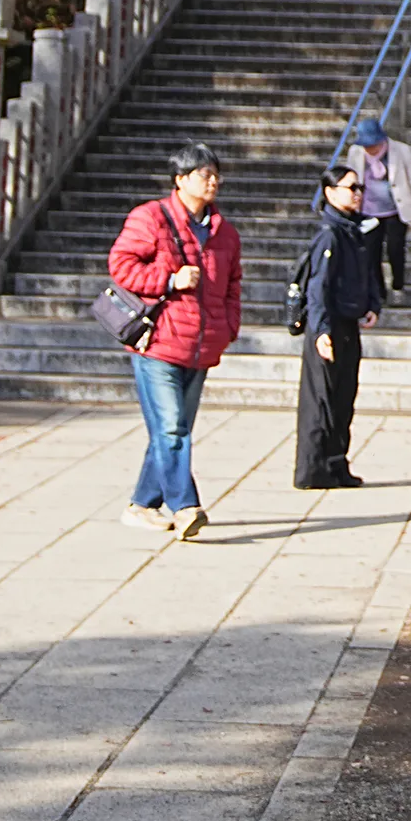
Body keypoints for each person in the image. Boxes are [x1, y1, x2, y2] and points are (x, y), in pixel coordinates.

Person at [109, 140, 242, 542]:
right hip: (159, 345)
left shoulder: (225, 233)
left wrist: (228, 327)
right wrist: (169, 280)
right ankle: (185, 507)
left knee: (171, 429)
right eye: (205, 174)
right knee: (171, 430)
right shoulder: (150, 218)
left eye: (216, 173)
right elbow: (121, 266)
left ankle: (141, 505)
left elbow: (233, 285)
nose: (213, 181)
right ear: (180, 180)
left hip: (201, 347)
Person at [295, 162, 384, 490]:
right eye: (351, 188)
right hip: (329, 325)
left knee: (344, 396)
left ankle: (337, 462)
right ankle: (313, 468)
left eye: (360, 188)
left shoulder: (358, 230)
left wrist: (372, 304)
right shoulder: (329, 233)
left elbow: (370, 273)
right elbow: (317, 288)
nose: (358, 194)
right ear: (330, 193)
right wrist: (320, 331)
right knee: (321, 399)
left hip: (349, 323)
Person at [350, 122, 411, 308]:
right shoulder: (356, 152)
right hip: (368, 211)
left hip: (396, 210)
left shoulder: (400, 150)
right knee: (371, 254)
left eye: (373, 144)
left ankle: (398, 286)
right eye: (366, 145)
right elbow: (352, 178)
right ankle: (379, 293)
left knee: (395, 249)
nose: (370, 149)